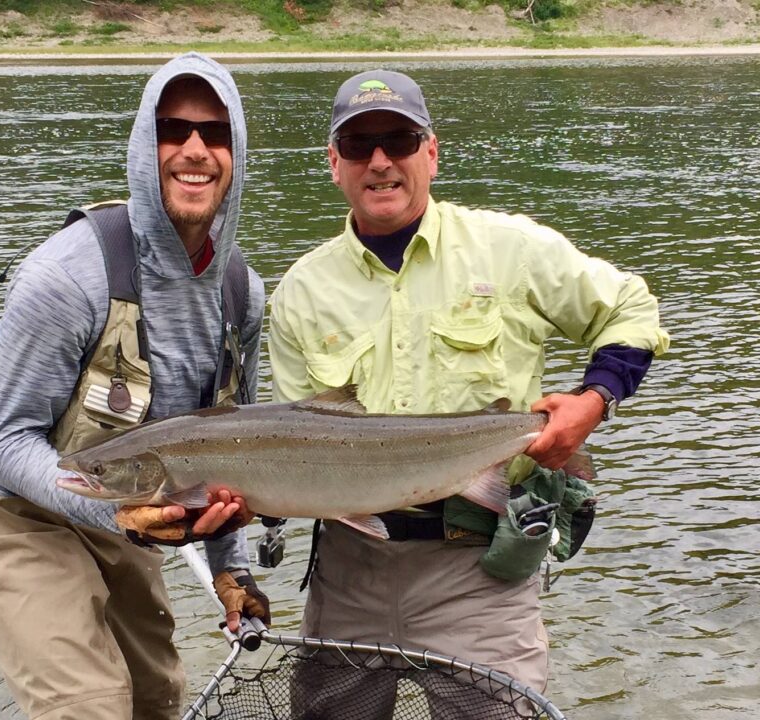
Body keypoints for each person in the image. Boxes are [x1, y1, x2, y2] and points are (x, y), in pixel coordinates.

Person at [268, 69, 670, 712]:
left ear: (431, 152)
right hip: (346, 578)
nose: (379, 161)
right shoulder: (299, 292)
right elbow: (295, 440)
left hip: (479, 571)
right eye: (358, 144)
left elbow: (631, 309)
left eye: (398, 140)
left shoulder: (511, 249)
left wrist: (593, 402)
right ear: (333, 163)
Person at [0, 53, 269, 720]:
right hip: (11, 509)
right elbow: (5, 441)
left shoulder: (242, 292)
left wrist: (232, 568)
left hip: (124, 504)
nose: (195, 150)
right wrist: (117, 514)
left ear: (237, 153)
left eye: (215, 133)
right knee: (89, 706)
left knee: (156, 699)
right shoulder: (64, 278)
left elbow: (232, 449)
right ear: (145, 148)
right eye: (172, 130)